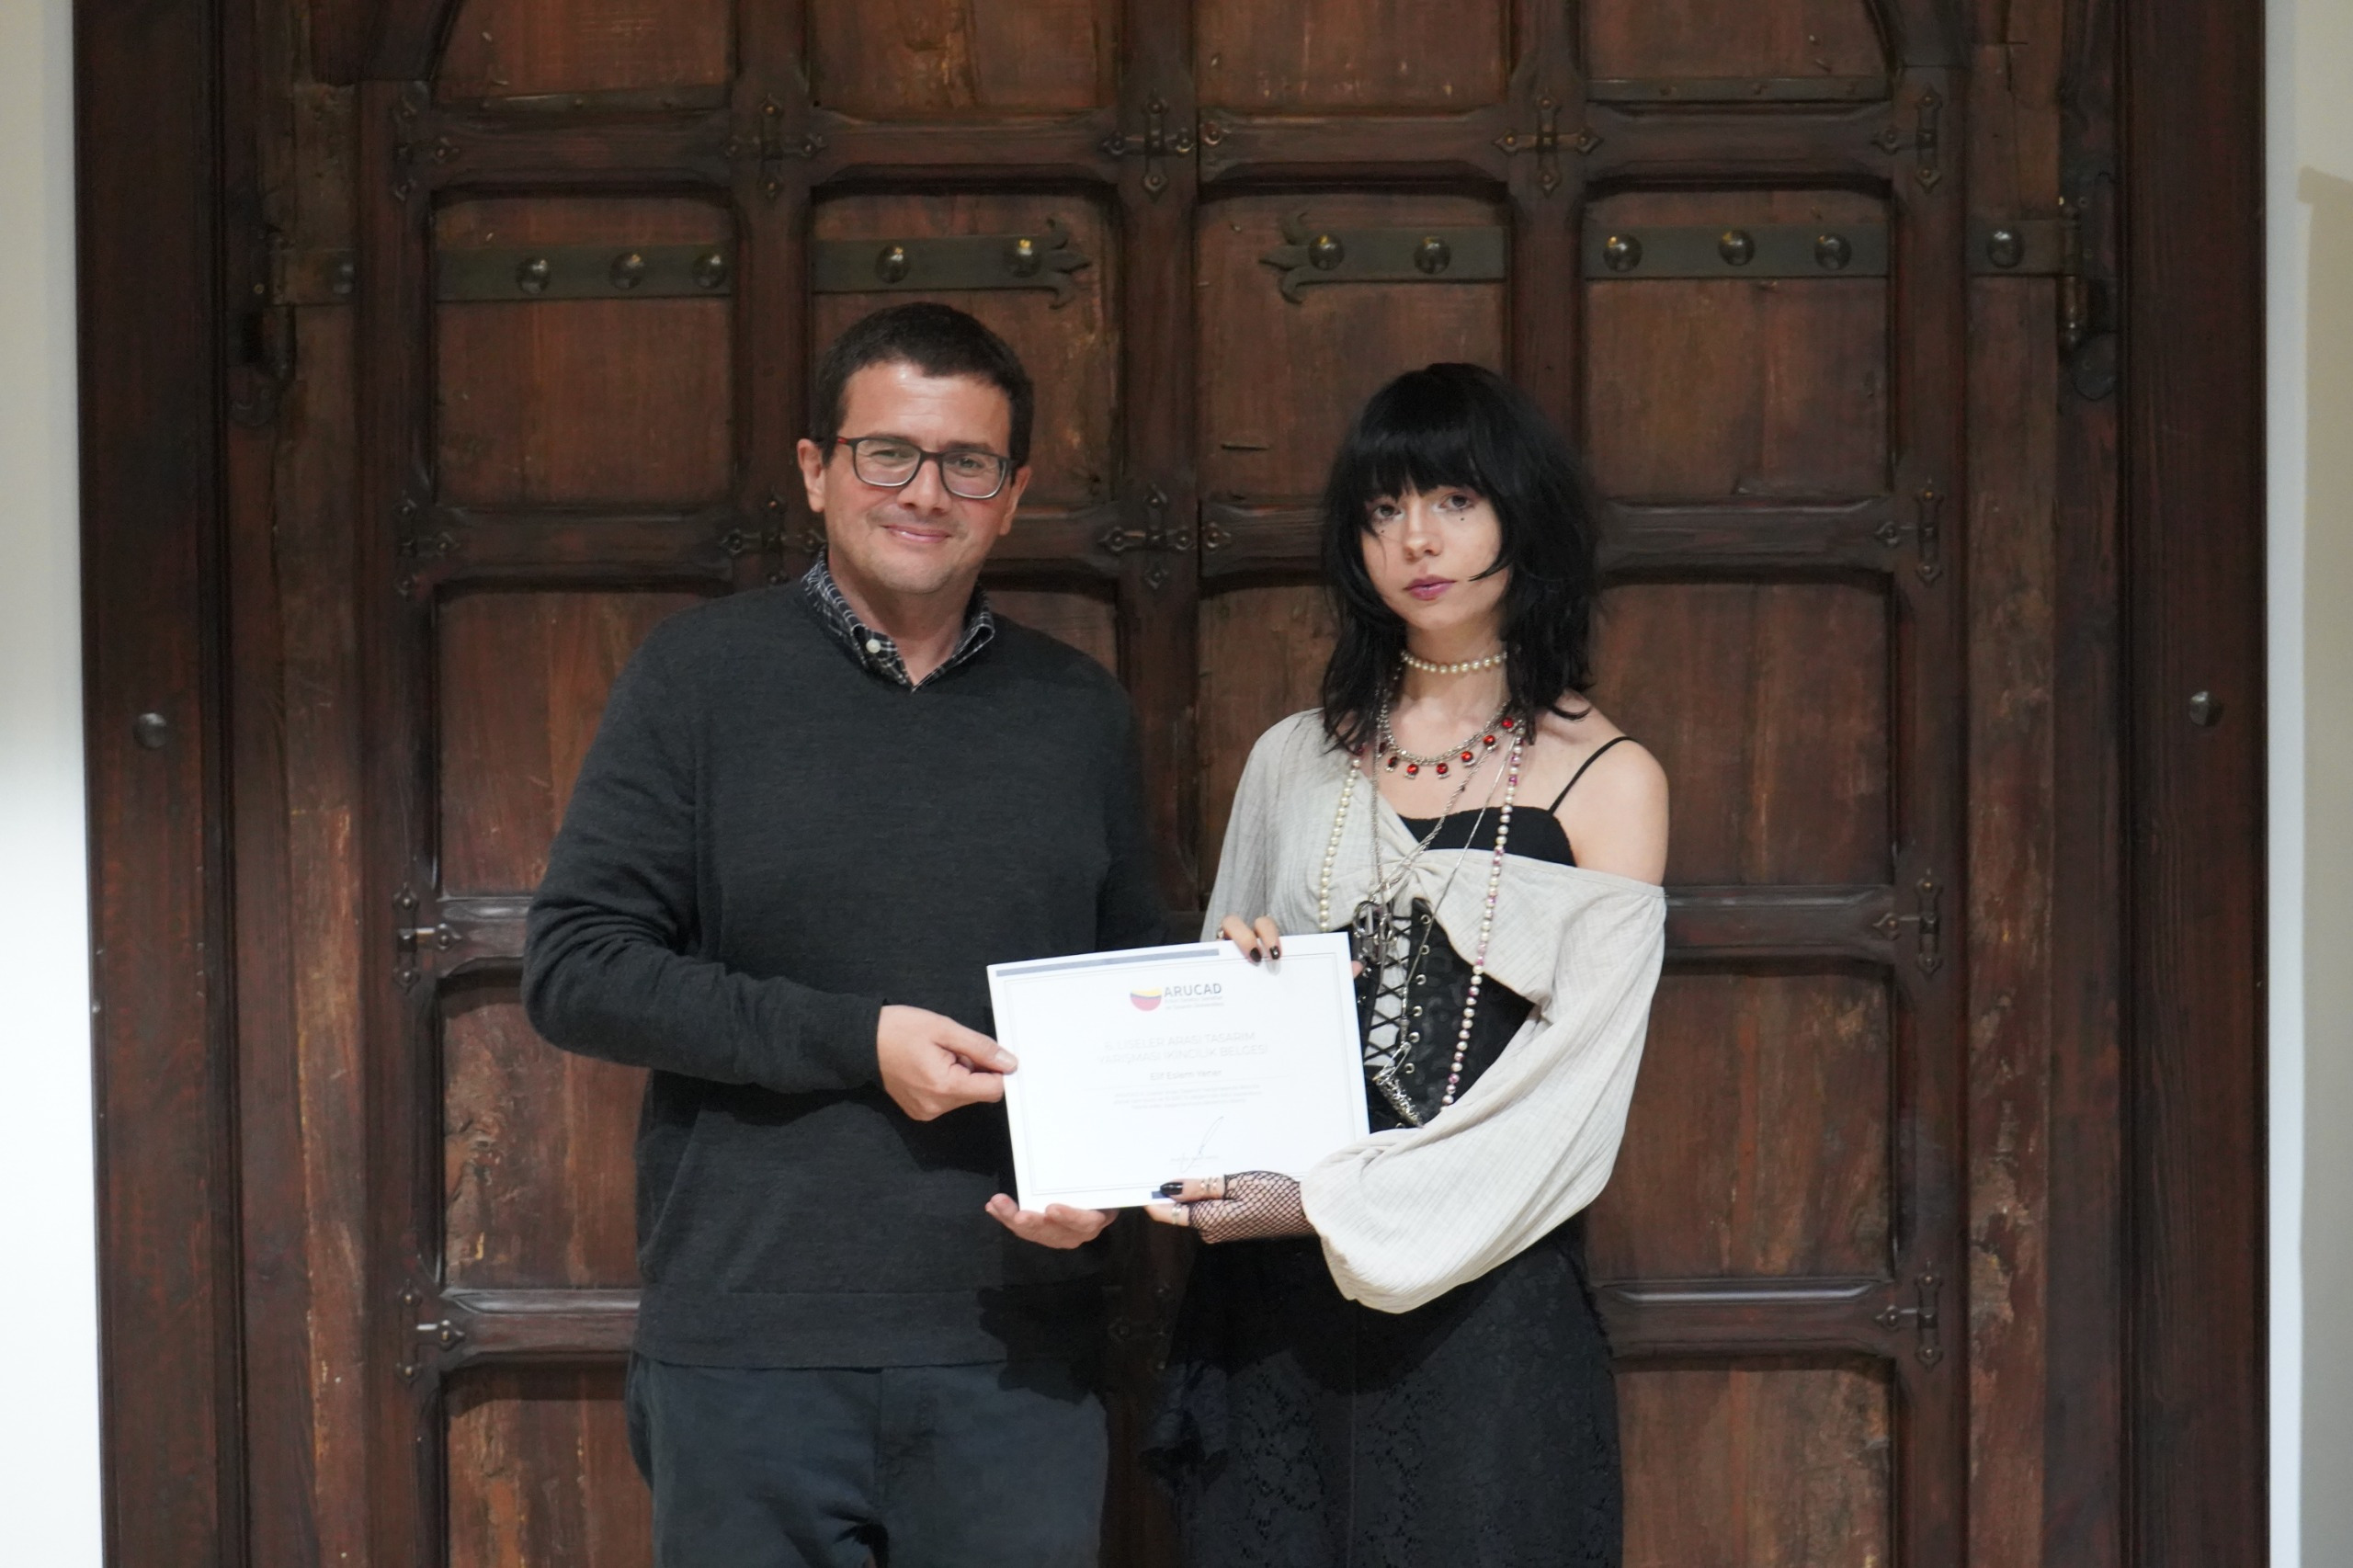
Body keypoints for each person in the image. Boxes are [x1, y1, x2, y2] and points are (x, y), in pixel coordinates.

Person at [523, 301, 1163, 1568]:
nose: (925, 491)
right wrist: (855, 1039)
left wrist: (1112, 1184)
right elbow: (578, 969)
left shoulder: (1079, 711)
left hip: (1014, 1356)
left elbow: (1126, 995)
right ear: (817, 470)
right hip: (748, 1352)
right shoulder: (698, 679)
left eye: (967, 463)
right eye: (889, 453)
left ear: (1012, 495)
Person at [1143, 362, 1670, 1567]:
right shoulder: (1293, 760)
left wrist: (1322, 1203)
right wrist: (1233, 984)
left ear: (1523, 515)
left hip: (1484, 1309)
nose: (1416, 540)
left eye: (1453, 501)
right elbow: (1214, 1056)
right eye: (1383, 509)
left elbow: (1571, 1106)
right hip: (1276, 1308)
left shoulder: (1610, 778)